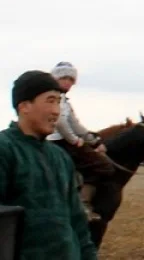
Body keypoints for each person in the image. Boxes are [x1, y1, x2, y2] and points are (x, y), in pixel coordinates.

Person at [0, 70, 98, 259]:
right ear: (24, 106)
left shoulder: (60, 157)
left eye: (58, 102)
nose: (56, 111)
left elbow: (78, 223)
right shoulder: (5, 150)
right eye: (50, 100)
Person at [44, 62, 113, 222]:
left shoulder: (64, 101)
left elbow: (75, 124)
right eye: (64, 78)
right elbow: (60, 124)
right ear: (56, 78)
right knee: (103, 166)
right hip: (58, 142)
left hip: (63, 140)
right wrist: (75, 141)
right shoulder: (56, 98)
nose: (68, 82)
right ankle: (83, 204)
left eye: (71, 79)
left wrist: (93, 141)